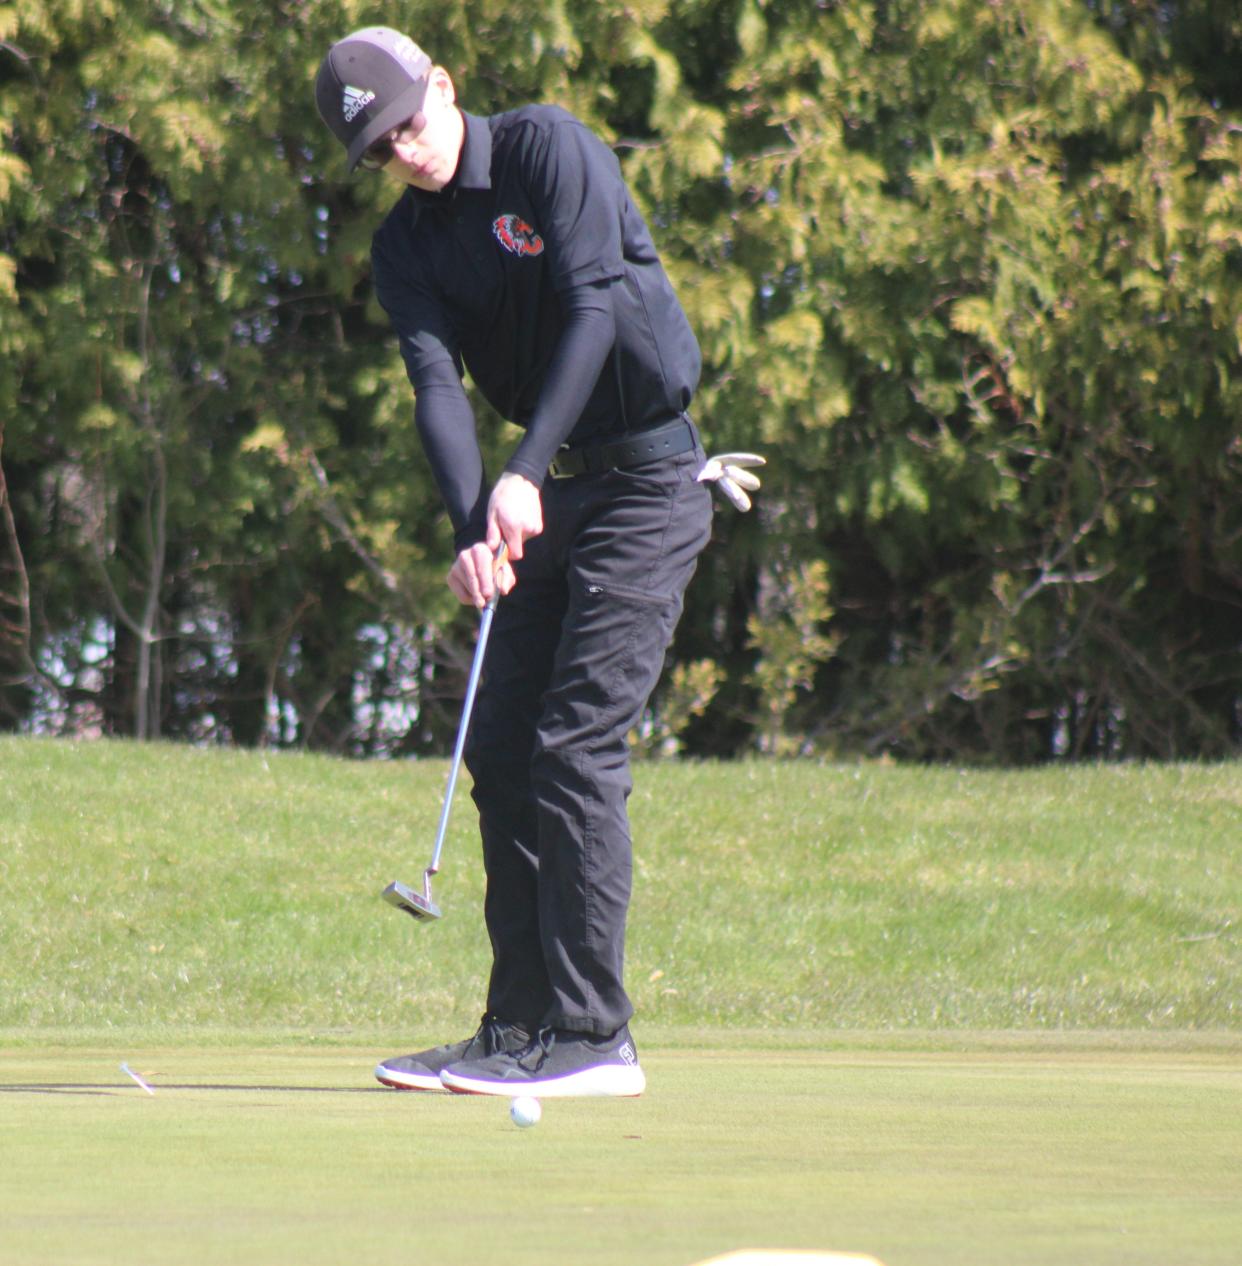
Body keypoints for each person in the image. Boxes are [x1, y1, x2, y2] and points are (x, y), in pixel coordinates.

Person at [315, 27, 761, 1098]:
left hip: (651, 483)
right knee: (504, 751)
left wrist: (519, 471)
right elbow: (435, 390)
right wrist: (475, 525)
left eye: (408, 124)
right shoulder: (405, 251)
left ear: (445, 88)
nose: (403, 154)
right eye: (377, 149)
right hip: (549, 497)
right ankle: (517, 1027)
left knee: (572, 747)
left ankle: (596, 1036)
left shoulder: (548, 150)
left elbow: (594, 307)